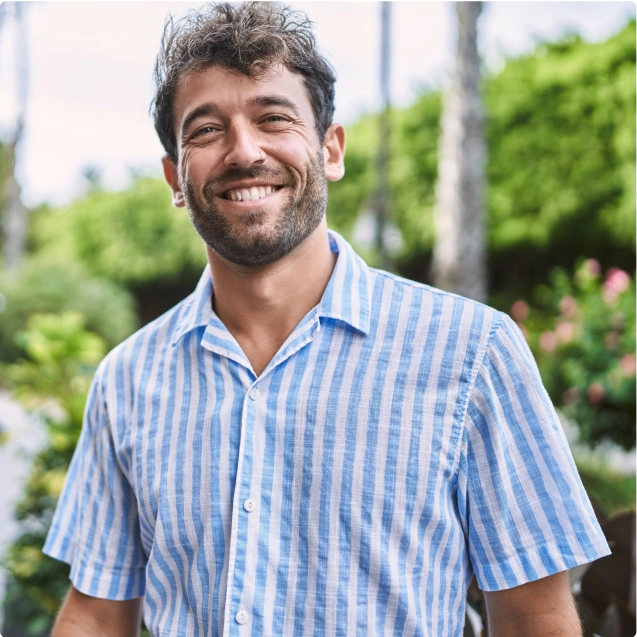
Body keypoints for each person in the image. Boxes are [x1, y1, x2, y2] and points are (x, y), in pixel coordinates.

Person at [44, 1, 610, 635]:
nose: (244, 150)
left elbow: (535, 617)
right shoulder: (126, 381)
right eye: (206, 130)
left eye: (274, 117)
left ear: (330, 149)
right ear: (176, 178)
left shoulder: (474, 353)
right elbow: (97, 613)